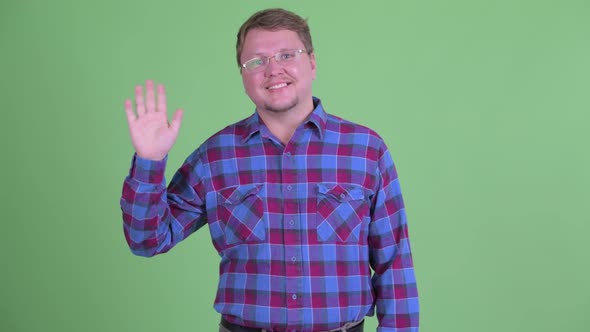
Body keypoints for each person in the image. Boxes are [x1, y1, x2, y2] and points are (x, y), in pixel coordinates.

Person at [120, 8, 419, 332]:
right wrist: (149, 160)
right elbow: (147, 239)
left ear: (312, 62)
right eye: (256, 61)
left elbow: (395, 263)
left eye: (286, 55)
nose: (273, 69)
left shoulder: (366, 150)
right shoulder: (215, 156)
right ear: (243, 75)